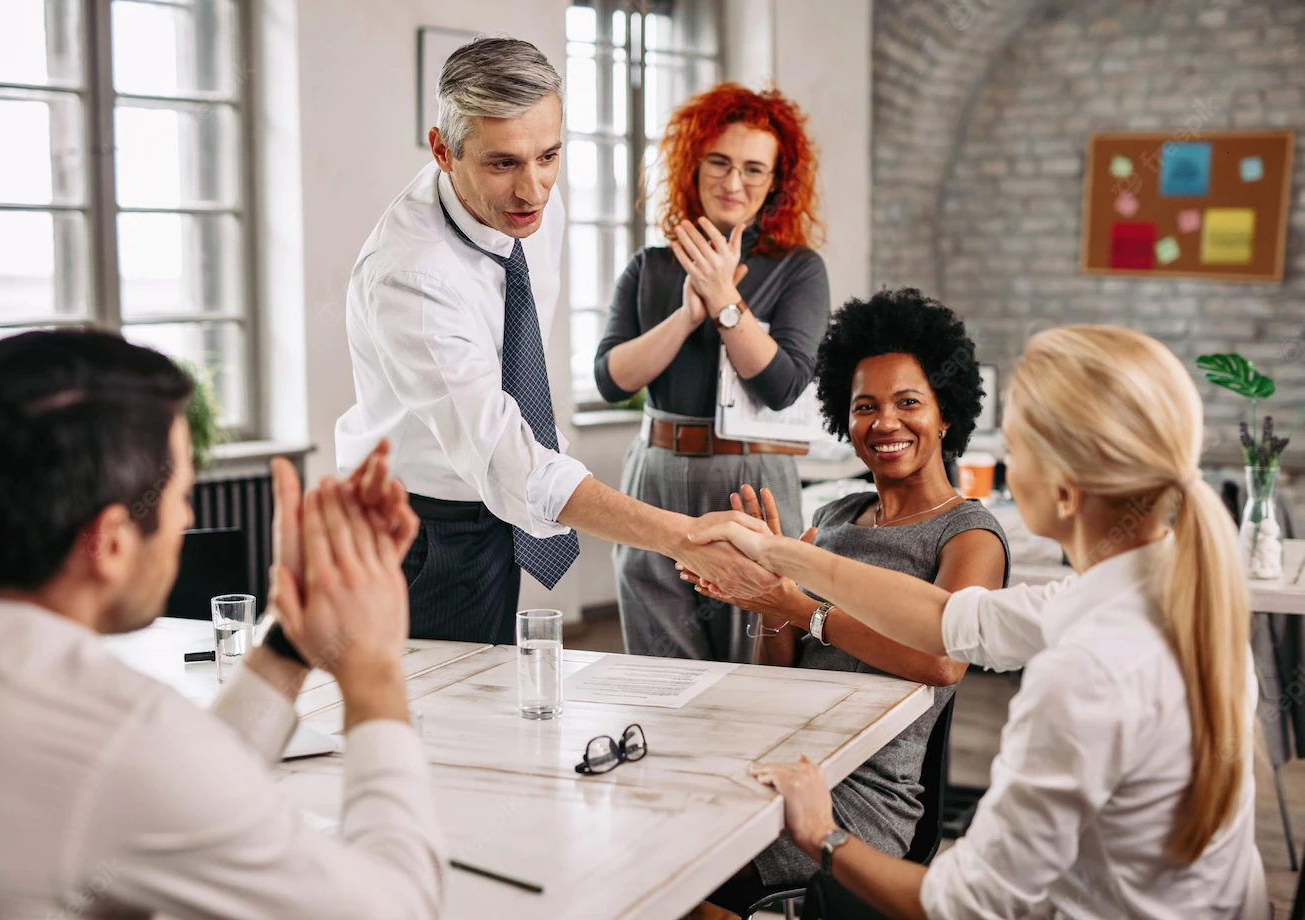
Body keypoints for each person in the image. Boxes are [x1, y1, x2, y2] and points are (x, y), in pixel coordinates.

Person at [692, 325, 1268, 918]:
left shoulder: (1085, 674)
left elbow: (966, 904)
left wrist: (821, 833)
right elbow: (948, 618)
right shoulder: (1170, 596)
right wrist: (786, 558)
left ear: (1065, 492)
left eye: (1015, 448)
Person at [0, 330, 444, 919]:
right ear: (113, 543)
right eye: (181, 497)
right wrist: (374, 668)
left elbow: (180, 787)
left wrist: (291, 644)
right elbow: (396, 910)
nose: (186, 518)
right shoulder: (110, 737)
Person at [335, 38, 773, 646]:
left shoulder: (533, 207)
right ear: (443, 150)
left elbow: (521, 393)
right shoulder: (410, 275)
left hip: (491, 515)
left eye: (549, 156)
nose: (533, 189)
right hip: (413, 534)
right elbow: (505, 455)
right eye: (503, 163)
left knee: (486, 708)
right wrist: (681, 536)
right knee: (428, 727)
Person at [676, 291, 1008, 914]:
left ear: (945, 414)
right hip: (791, 756)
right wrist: (768, 597)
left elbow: (942, 661)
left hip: (865, 794)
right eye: (865, 407)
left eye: (908, 402)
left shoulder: (968, 533)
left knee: (689, 881)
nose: (885, 422)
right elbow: (780, 670)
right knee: (654, 842)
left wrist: (802, 606)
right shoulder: (834, 516)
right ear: (843, 420)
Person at [594, 83, 831, 662]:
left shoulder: (798, 269)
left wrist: (726, 302)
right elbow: (611, 379)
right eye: (719, 162)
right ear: (693, 166)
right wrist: (685, 314)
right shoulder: (648, 266)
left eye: (754, 169)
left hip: (752, 479)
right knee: (658, 659)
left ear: (775, 182)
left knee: (754, 653)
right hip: (655, 473)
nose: (733, 182)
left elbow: (782, 386)